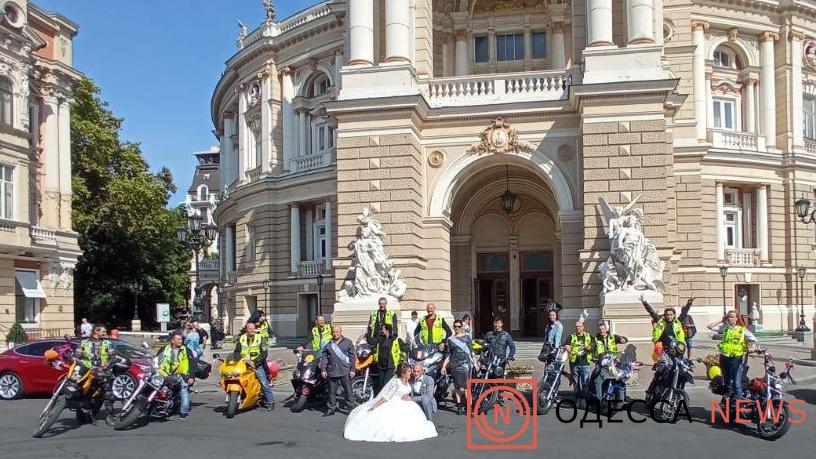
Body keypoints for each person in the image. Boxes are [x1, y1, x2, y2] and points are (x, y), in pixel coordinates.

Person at [344, 362, 438, 442]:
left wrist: (409, 398)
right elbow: (386, 396)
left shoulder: (409, 380)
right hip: (396, 403)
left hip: (408, 403)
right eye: (409, 372)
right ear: (403, 374)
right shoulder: (396, 382)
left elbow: (415, 393)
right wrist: (375, 406)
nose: (411, 374)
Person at [707, 310, 757, 400]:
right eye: (729, 317)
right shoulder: (725, 328)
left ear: (737, 318)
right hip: (724, 357)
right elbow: (709, 326)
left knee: (737, 383)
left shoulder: (742, 330)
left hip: (736, 359)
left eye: (732, 317)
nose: (730, 319)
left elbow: (753, 339)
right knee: (726, 382)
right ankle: (729, 404)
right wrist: (721, 320)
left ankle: (739, 404)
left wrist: (751, 347)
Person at [74, 325, 117, 425]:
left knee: (109, 394)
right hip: (87, 372)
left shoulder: (108, 343)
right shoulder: (83, 343)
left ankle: (109, 417)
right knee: (80, 392)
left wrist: (106, 366)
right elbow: (77, 356)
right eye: (103, 331)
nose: (105, 333)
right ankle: (79, 412)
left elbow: (113, 358)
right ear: (95, 331)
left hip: (103, 373)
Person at [234, 322, 275, 410]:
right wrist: (242, 359)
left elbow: (264, 353)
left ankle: (271, 401)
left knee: (264, 382)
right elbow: (236, 352)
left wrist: (255, 362)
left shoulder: (260, 338)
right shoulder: (242, 338)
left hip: (256, 364)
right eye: (250, 329)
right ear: (246, 329)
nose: (252, 330)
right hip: (243, 364)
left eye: (253, 328)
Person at [156, 332, 197, 419]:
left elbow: (192, 362)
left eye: (181, 339)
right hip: (165, 373)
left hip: (181, 374)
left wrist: (191, 377)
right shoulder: (164, 349)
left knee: (184, 389)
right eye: (178, 339)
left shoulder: (185, 349)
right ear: (172, 341)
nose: (181, 341)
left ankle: (184, 412)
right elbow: (156, 360)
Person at [320, 325, 358, 416]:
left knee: (348, 391)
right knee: (332, 392)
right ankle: (331, 409)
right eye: (334, 332)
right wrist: (323, 369)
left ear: (341, 332)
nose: (335, 333)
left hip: (345, 371)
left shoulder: (348, 342)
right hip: (332, 371)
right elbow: (325, 358)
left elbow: (353, 356)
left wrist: (352, 369)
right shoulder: (329, 344)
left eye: (337, 332)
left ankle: (351, 410)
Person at [442, 319, 476, 415]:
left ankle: (469, 408)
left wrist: (476, 363)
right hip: (455, 364)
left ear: (461, 327)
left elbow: (471, 352)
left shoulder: (467, 338)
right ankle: (459, 406)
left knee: (466, 387)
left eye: (458, 326)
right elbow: (448, 354)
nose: (457, 328)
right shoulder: (450, 339)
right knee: (457, 386)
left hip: (466, 364)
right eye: (455, 326)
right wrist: (444, 366)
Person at [591, 320, 628, 400]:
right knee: (597, 376)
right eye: (600, 329)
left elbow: (624, 339)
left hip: (613, 362)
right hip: (601, 362)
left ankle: (623, 396)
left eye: (603, 329)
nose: (601, 330)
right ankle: (598, 397)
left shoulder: (612, 337)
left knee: (621, 377)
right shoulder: (596, 339)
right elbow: (592, 348)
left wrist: (623, 340)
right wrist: (593, 356)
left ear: (606, 329)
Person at [366, 324, 402, 394]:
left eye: (383, 329)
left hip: (390, 366)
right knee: (380, 384)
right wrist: (369, 330)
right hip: (381, 366)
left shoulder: (394, 339)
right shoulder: (380, 338)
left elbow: (404, 347)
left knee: (386, 384)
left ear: (387, 330)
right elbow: (370, 341)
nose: (381, 330)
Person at [564, 320, 593, 409]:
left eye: (579, 326)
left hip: (584, 363)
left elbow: (594, 345)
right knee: (576, 383)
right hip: (574, 363)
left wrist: (590, 347)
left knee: (585, 383)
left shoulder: (588, 336)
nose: (578, 328)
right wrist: (568, 348)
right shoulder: (571, 336)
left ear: (583, 327)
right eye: (576, 326)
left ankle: (583, 400)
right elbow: (566, 345)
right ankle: (577, 399)